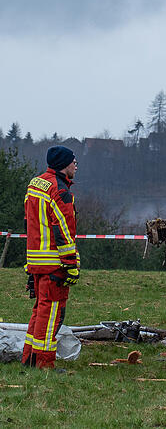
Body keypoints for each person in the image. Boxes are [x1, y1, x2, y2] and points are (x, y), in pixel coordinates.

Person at [21, 146, 80, 369]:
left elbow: (29, 224)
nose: (76, 166)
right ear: (64, 164)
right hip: (53, 263)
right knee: (52, 313)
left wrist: (29, 264)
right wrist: (71, 265)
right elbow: (64, 231)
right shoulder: (60, 190)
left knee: (39, 312)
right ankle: (44, 364)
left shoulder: (35, 184)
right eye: (74, 162)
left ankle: (29, 359)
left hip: (36, 261)